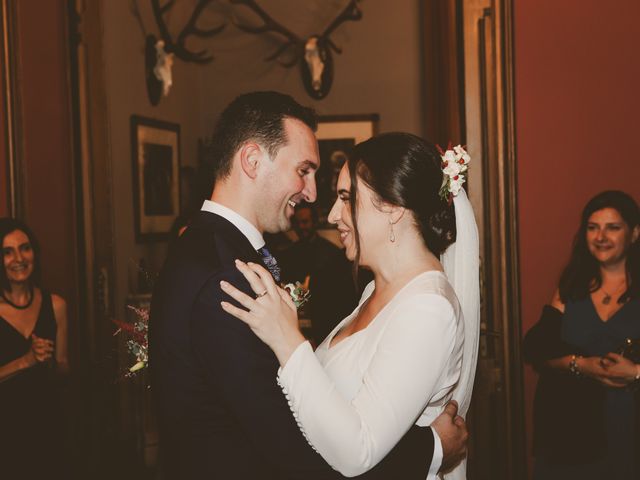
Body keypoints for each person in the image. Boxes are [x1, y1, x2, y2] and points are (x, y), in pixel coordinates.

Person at [149, 92, 468, 479]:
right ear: (251, 160)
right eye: (303, 170)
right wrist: (430, 448)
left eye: (346, 197)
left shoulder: (209, 250)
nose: (314, 197)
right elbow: (287, 443)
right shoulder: (227, 275)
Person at [220, 132, 480, 478]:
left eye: (346, 197)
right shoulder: (375, 290)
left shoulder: (429, 309)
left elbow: (358, 452)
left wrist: (288, 338)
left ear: (392, 208)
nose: (331, 215)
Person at [523, 190, 640, 479]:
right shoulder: (572, 287)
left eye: (613, 227)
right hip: (573, 431)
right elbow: (536, 349)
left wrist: (636, 372)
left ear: (634, 234)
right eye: (592, 227)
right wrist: (581, 365)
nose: (601, 236)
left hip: (630, 428)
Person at [0, 218, 70, 478]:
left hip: (46, 425)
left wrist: (51, 362)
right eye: (7, 252)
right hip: (5, 431)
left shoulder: (57, 306)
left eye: (25, 248)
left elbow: (64, 369)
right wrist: (25, 361)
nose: (18, 258)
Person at [280, 203, 358, 344]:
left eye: (305, 222)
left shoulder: (332, 254)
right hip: (294, 323)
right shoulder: (287, 255)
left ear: (314, 223)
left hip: (326, 324)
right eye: (298, 223)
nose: (302, 227)